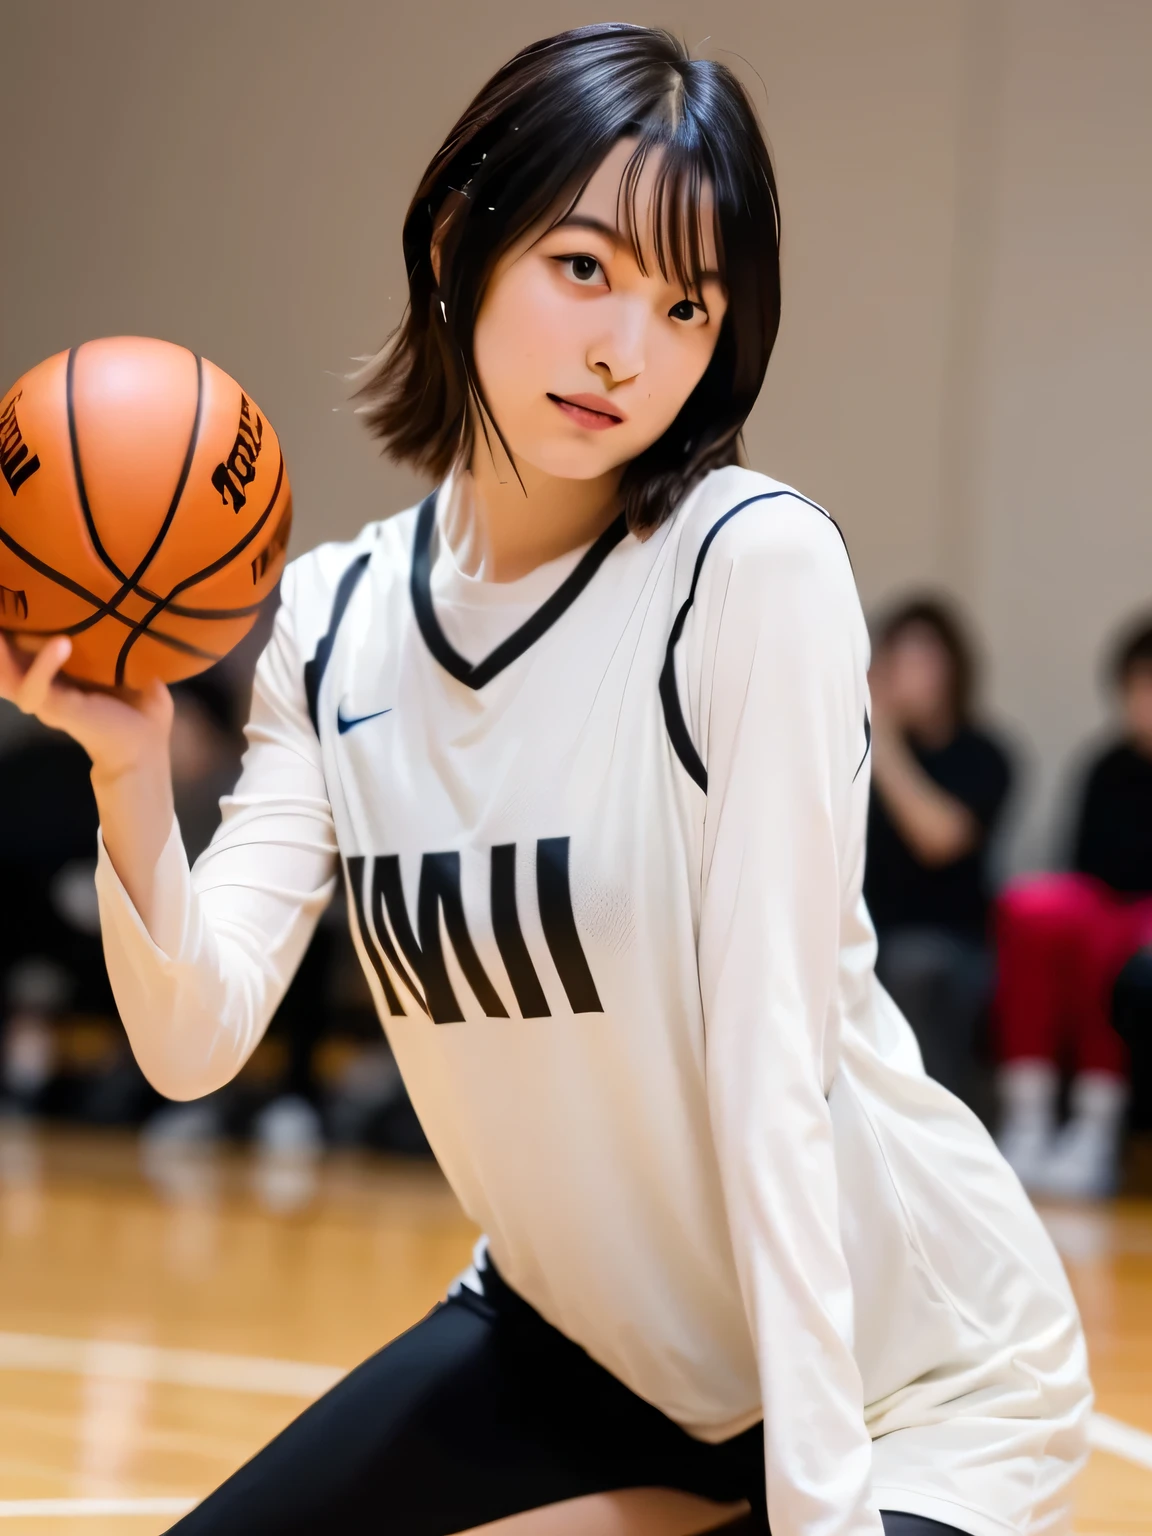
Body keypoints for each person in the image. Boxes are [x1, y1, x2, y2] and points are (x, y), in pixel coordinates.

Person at [0, 26, 1089, 1536]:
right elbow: (193, 1045)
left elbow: (772, 1080)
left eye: (686, 302)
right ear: (462, 240)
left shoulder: (747, 569)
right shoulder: (333, 622)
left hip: (899, 1376)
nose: (624, 349)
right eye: (584, 266)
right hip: (585, 1341)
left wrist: (817, 1516)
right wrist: (129, 773)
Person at [995, 615, 1152, 1201]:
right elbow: (1083, 863)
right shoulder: (1105, 766)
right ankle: (1028, 1117)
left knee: (1117, 937)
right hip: (1103, 905)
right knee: (1030, 907)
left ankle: (1096, 1125)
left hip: (1136, 924)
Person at [864, 599, 1013, 1108]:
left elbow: (937, 838)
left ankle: (934, 1125)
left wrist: (881, 735)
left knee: (915, 966)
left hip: (954, 948)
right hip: (869, 936)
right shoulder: (854, 754)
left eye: (923, 659)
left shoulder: (985, 755)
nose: (908, 674)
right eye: (897, 659)